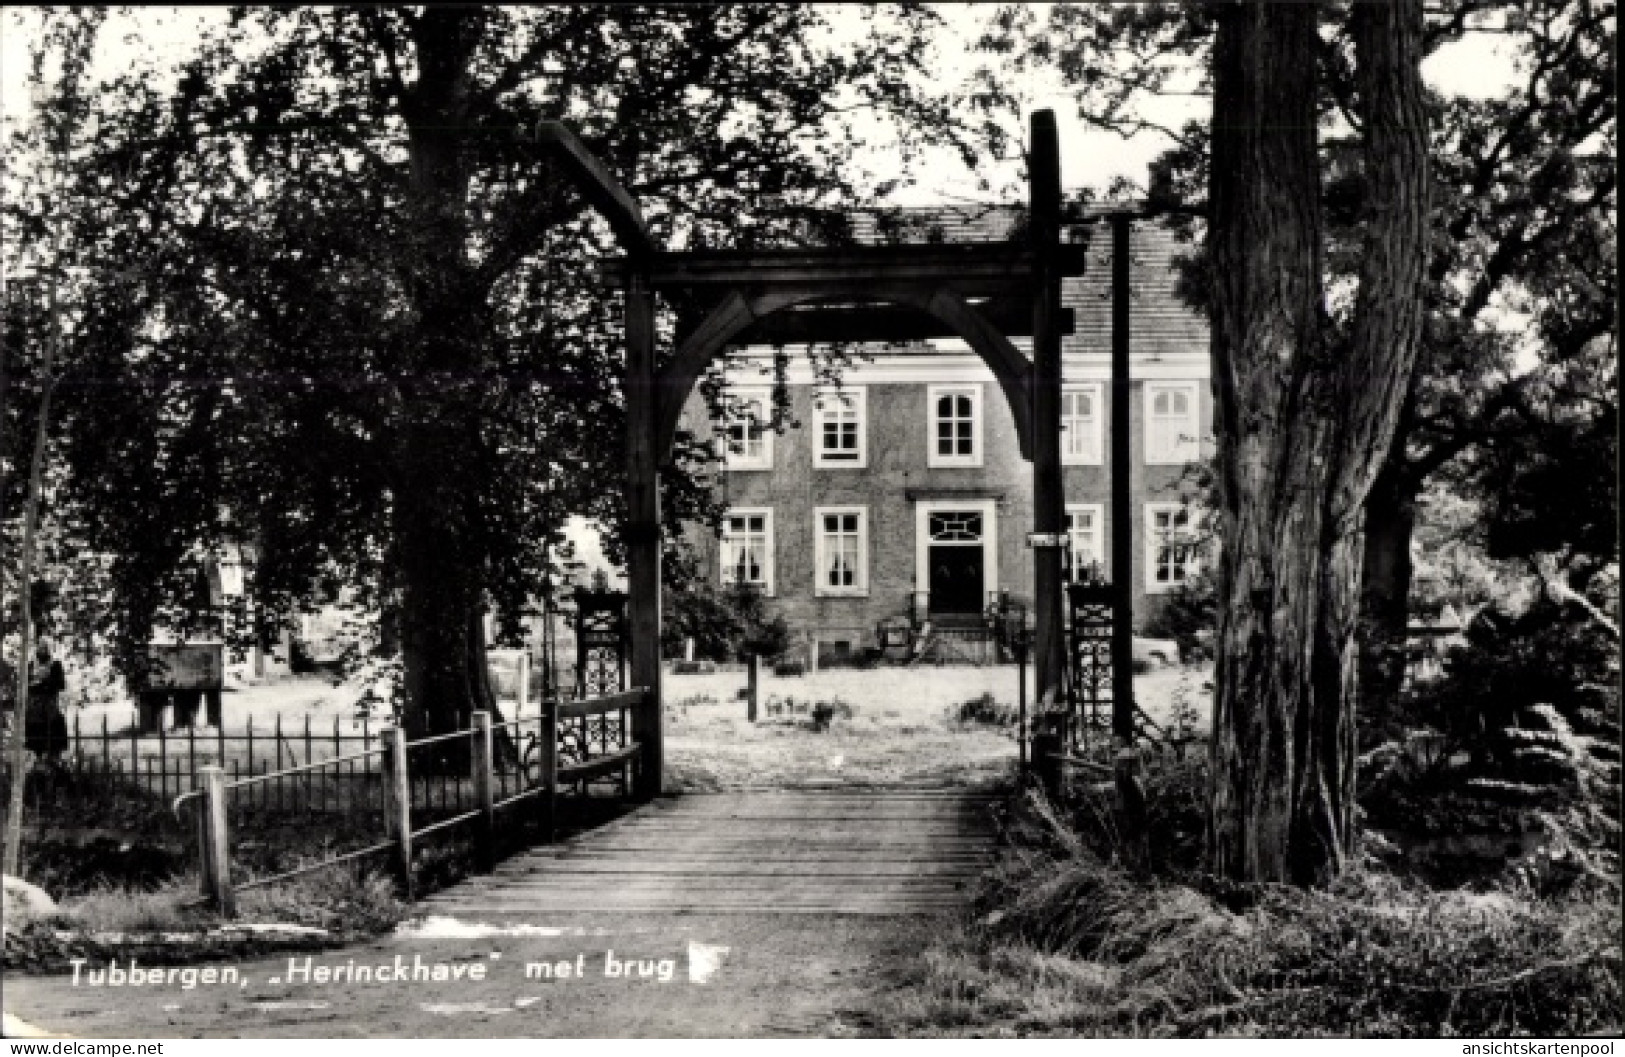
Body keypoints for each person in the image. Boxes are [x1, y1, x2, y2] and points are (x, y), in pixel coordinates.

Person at [25, 641, 68, 764]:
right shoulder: (31, 665)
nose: (43, 650)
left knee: (54, 728)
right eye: (40, 648)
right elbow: (28, 686)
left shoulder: (56, 665)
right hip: (35, 707)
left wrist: (44, 682)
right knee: (36, 733)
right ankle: (38, 761)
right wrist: (39, 684)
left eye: (45, 648)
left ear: (49, 650)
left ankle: (54, 760)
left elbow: (60, 684)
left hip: (50, 704)